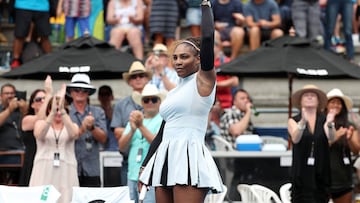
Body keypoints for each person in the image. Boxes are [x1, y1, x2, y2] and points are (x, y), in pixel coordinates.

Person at [139, 1, 224, 202]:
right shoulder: (175, 90)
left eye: (184, 57)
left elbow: (208, 37)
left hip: (188, 157)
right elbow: (163, 131)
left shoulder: (203, 81)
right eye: (175, 57)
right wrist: (145, 165)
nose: (177, 61)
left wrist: (205, 7)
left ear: (199, 59)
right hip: (165, 157)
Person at [30, 84, 80, 203]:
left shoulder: (72, 125)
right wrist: (52, 113)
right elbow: (39, 134)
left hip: (66, 169)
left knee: (66, 198)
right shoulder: (40, 123)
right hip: (44, 169)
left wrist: (63, 112)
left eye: (61, 109)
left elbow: (74, 134)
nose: (58, 112)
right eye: (55, 109)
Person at [288, 84, 334, 203]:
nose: (309, 97)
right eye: (306, 95)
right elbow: (295, 138)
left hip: (320, 170)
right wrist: (303, 122)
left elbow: (331, 137)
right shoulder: (293, 120)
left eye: (313, 95)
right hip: (301, 171)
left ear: (318, 101)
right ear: (301, 101)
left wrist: (330, 124)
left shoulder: (324, 119)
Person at [119, 84, 165, 203]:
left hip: (151, 177)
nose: (150, 102)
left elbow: (158, 144)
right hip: (132, 175)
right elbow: (121, 147)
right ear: (142, 102)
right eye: (146, 100)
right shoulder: (135, 120)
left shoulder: (163, 120)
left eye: (154, 99)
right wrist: (133, 129)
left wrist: (140, 126)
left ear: (160, 102)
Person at [111, 61, 151, 186]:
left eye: (141, 75)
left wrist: (133, 129)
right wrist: (144, 130)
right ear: (129, 81)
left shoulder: (156, 101)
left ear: (147, 79)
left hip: (152, 162)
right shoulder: (121, 105)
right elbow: (117, 133)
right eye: (134, 76)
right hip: (128, 161)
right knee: (129, 198)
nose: (138, 78)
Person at [67, 73, 107, 187]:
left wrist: (92, 128)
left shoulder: (98, 112)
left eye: (84, 90)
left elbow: (104, 139)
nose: (80, 92)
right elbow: (64, 137)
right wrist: (83, 128)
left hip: (92, 168)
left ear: (88, 92)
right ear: (71, 92)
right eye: (76, 89)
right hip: (70, 166)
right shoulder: (64, 113)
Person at [325, 88, 360, 203]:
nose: (336, 105)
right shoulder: (320, 123)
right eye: (333, 102)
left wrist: (349, 139)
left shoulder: (349, 125)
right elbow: (318, 147)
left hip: (343, 178)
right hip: (323, 177)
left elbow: (356, 150)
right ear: (326, 105)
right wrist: (335, 137)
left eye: (339, 103)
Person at [19, 76, 52, 186]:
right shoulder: (27, 119)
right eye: (39, 99)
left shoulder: (53, 119)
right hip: (33, 160)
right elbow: (40, 118)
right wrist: (48, 95)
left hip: (48, 161)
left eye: (44, 98)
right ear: (32, 104)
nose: (42, 101)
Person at [11, 0, 52, 69]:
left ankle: (50, 60)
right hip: (22, 5)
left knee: (45, 36)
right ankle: (16, 60)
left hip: (42, 6)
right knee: (19, 35)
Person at [214, 39, 239, 110]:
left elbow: (235, 81)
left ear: (217, 47)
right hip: (210, 104)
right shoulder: (202, 63)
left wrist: (217, 84)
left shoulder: (226, 61)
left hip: (226, 104)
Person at [97, 85, 117, 151]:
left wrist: (109, 112)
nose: (105, 97)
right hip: (99, 149)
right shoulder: (95, 113)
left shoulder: (117, 112)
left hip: (114, 148)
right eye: (102, 94)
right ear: (98, 97)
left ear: (112, 97)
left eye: (107, 94)